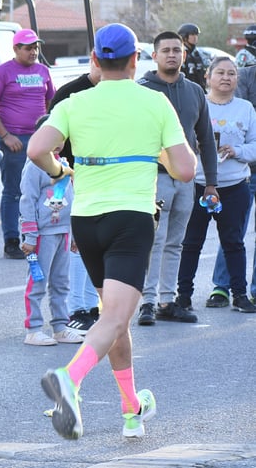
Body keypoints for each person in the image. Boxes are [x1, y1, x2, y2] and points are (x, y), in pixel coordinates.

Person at [31, 23, 196, 440]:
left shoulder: (77, 103)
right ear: (135, 60)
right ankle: (70, 379)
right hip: (131, 218)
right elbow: (186, 169)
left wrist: (59, 168)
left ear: (94, 61)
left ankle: (131, 410)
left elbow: (37, 149)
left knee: (115, 321)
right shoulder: (155, 103)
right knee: (116, 317)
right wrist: (156, 154)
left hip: (86, 221)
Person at [136, 31, 217, 325]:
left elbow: (206, 140)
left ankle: (167, 302)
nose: (172, 54)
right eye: (166, 50)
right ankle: (147, 302)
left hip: (185, 180)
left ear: (184, 55)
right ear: (154, 56)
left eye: (177, 50)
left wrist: (211, 183)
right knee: (153, 241)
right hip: (152, 178)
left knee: (175, 242)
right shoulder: (142, 90)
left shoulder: (195, 91)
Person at [176, 57, 256, 314]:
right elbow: (176, 140)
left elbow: (254, 145)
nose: (226, 78)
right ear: (207, 78)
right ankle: (183, 297)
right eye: (220, 72)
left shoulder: (245, 108)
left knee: (234, 242)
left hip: (234, 185)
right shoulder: (197, 104)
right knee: (191, 243)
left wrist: (238, 150)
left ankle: (240, 295)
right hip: (198, 184)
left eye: (231, 73)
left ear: (237, 79)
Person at [0, 28, 55, 260]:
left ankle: (36, 235)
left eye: (36, 47)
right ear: (15, 49)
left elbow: (51, 102)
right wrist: (5, 136)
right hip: (13, 140)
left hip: (39, 139)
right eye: (28, 48)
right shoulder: (3, 72)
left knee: (42, 189)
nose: (33, 51)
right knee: (14, 191)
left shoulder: (43, 71)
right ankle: (12, 241)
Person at [49, 60, 102, 335]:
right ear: (95, 60)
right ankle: (76, 309)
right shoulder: (70, 94)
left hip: (104, 181)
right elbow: (49, 147)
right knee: (77, 247)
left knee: (97, 247)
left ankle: (92, 307)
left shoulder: (118, 93)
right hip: (73, 179)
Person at [19, 116, 82, 346]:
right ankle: (33, 328)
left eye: (60, 137)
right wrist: (30, 235)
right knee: (37, 281)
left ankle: (60, 326)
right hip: (42, 234)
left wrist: (74, 234)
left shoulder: (63, 164)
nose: (57, 142)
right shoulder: (34, 166)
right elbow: (27, 200)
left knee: (61, 281)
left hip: (63, 232)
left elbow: (72, 199)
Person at [210, 62, 256, 304]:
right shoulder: (247, 74)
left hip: (243, 159)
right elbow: (236, 113)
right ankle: (222, 285)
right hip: (243, 170)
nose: (226, 77)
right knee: (233, 233)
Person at [178, 23, 207, 91]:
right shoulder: (179, 53)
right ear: (184, 36)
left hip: (199, 90)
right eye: (192, 34)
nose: (195, 37)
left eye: (196, 35)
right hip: (185, 90)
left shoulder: (198, 54)